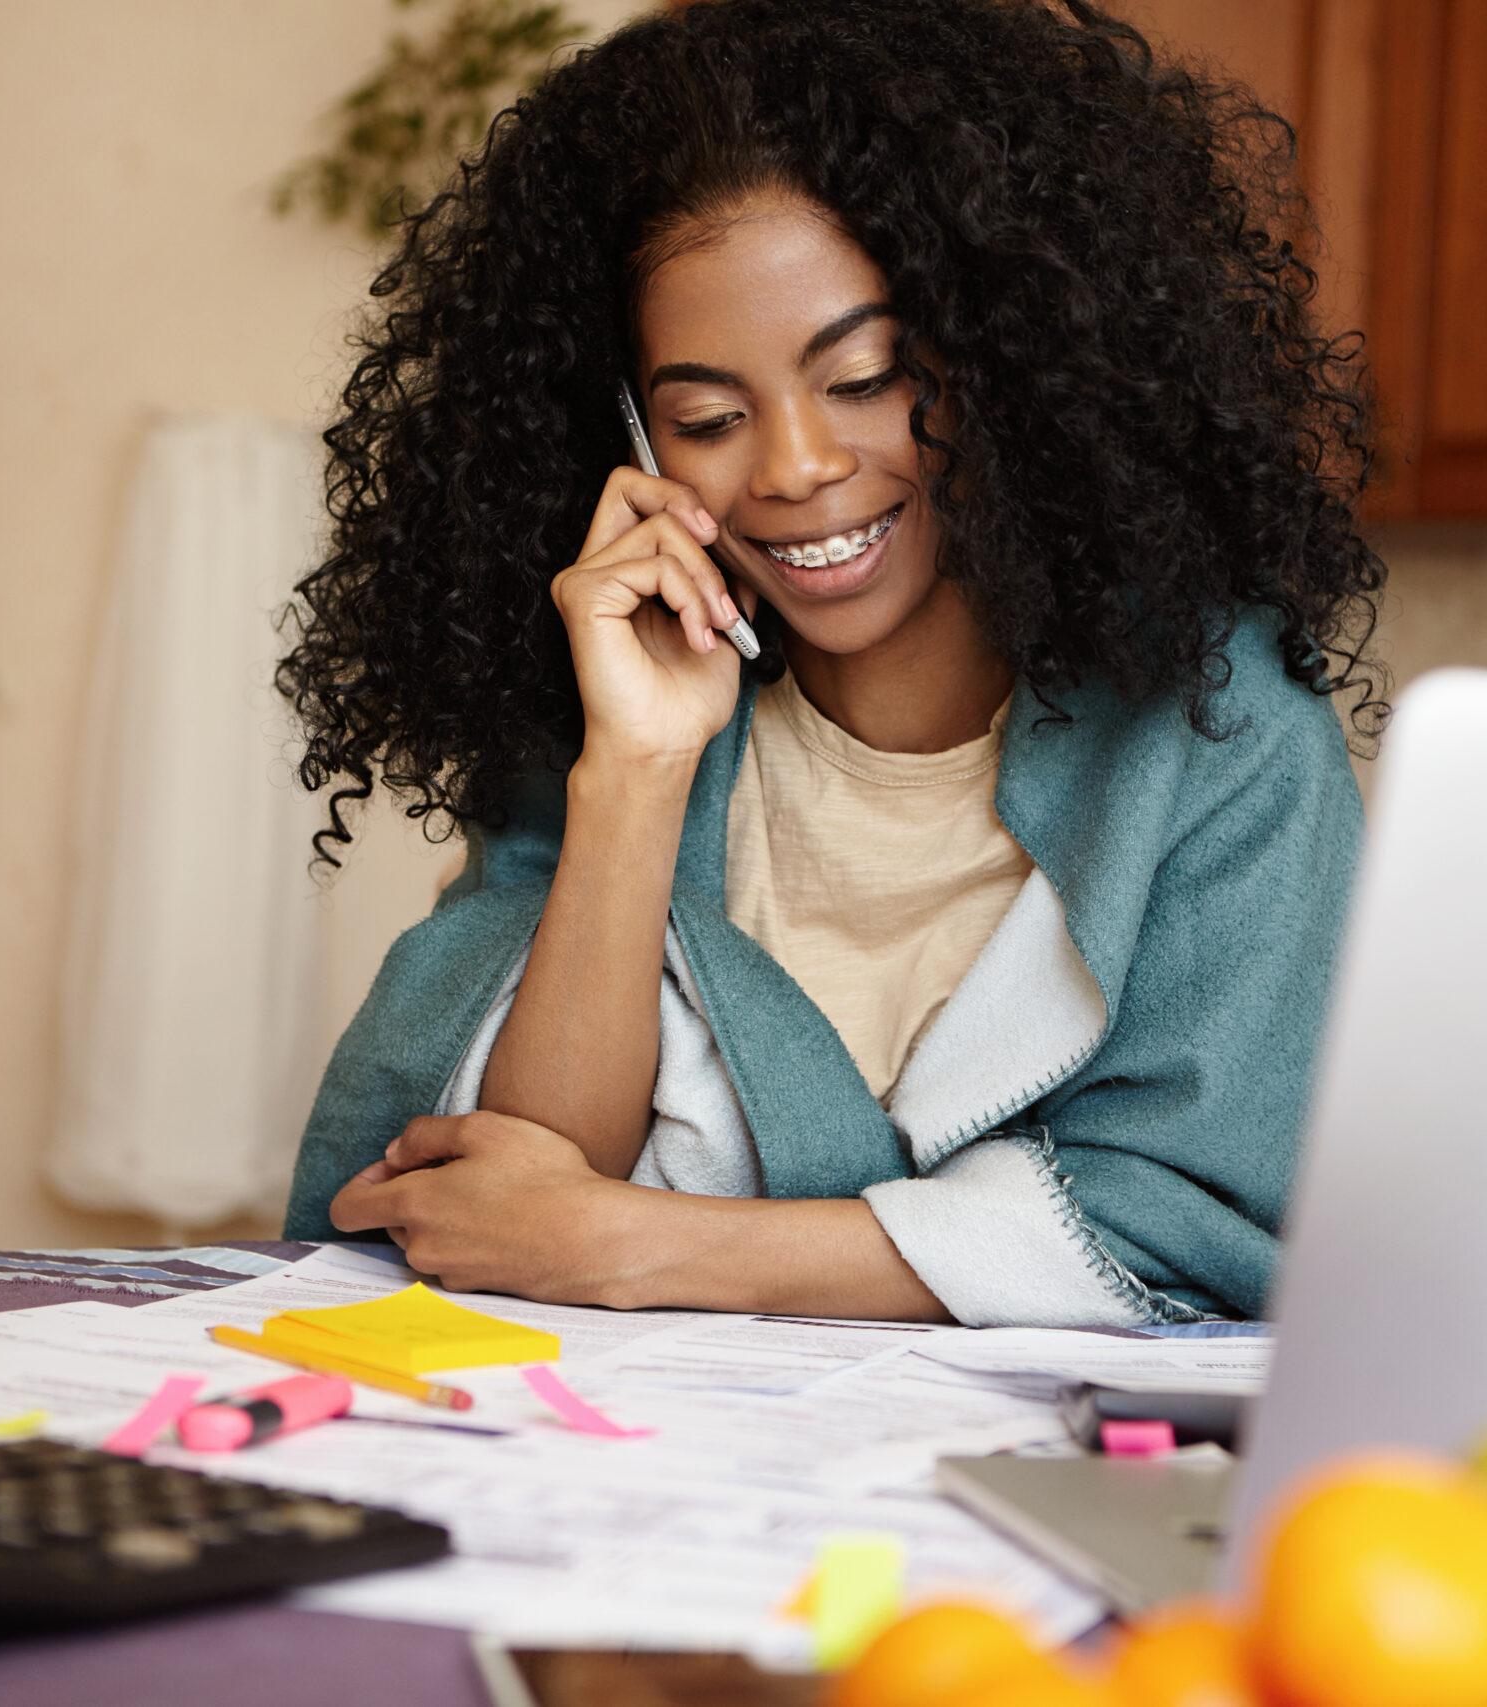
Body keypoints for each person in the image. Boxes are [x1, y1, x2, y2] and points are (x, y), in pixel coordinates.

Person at [275, 0, 1384, 1327]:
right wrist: (636, 768)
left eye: (863, 380)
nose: (796, 468)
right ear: (628, 433)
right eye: (708, 417)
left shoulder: (1217, 733)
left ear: (1007, 361)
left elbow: (1199, 1222)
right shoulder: (605, 721)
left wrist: (649, 1248)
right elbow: (504, 1206)